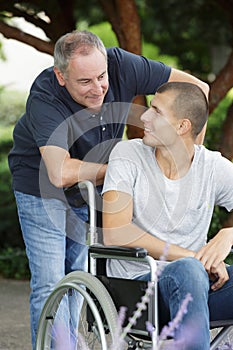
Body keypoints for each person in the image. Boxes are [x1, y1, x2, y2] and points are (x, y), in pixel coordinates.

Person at [8, 29, 209, 349]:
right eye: (85, 82)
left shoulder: (122, 65)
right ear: (61, 76)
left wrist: (191, 157)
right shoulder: (45, 96)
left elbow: (198, 88)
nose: (99, 87)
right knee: (51, 283)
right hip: (41, 187)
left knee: (79, 279)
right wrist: (123, 170)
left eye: (101, 76)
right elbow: (59, 173)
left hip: (90, 183)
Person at [102, 82, 233, 349]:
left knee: (193, 272)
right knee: (189, 269)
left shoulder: (213, 167)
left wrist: (229, 234)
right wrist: (196, 258)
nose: (145, 117)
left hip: (199, 288)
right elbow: (116, 230)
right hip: (139, 291)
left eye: (156, 111)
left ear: (182, 126)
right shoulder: (128, 154)